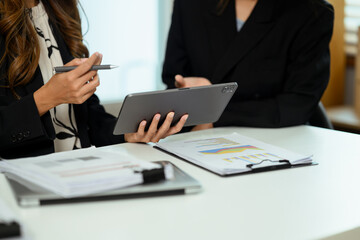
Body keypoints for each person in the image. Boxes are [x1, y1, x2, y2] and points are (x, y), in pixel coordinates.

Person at [0, 0, 188, 159]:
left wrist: (126, 133)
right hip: (30, 179)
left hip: (82, 170)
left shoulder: (59, 9)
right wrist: (47, 98)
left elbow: (87, 117)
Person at [162, 0, 334, 131]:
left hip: (276, 139)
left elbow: (297, 104)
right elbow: (174, 79)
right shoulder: (190, 5)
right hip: (195, 140)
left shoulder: (313, 13)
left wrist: (213, 113)